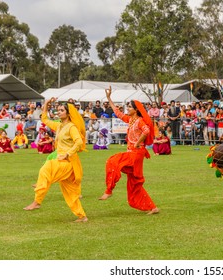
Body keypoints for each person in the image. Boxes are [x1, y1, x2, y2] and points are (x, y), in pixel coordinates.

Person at [23, 98, 88, 222]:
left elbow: (79, 142)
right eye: (58, 110)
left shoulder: (71, 127)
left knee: (46, 169)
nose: (59, 112)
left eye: (61, 110)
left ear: (68, 113)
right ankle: (82, 216)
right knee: (70, 192)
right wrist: (46, 104)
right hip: (63, 161)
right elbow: (45, 119)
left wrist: (67, 154)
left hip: (68, 162)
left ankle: (37, 201)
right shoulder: (59, 126)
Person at [98, 86, 159, 215]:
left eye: (130, 107)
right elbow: (117, 113)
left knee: (113, 161)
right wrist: (109, 98)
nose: (127, 109)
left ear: (136, 109)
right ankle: (153, 207)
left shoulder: (139, 121)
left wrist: (137, 143)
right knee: (134, 184)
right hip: (133, 152)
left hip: (136, 153)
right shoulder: (131, 120)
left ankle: (109, 190)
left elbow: (147, 130)